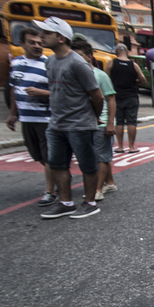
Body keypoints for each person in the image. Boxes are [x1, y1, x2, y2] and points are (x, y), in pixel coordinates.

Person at [33, 17, 105, 220]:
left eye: (46, 33)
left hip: (79, 124)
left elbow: (97, 96)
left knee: (87, 164)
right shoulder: (50, 61)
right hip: (56, 124)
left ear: (61, 38)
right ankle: (66, 203)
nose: (41, 36)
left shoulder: (78, 63)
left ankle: (90, 202)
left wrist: (93, 117)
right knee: (56, 164)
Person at [5, 27, 58, 207]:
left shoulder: (49, 64)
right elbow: (14, 88)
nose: (37, 46)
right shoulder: (17, 63)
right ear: (22, 44)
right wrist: (13, 113)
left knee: (49, 156)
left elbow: (61, 92)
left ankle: (50, 191)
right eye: (32, 42)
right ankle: (58, 175)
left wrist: (41, 92)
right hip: (26, 118)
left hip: (46, 119)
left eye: (39, 43)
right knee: (37, 155)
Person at [72, 39, 117, 200]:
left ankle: (97, 190)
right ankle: (109, 182)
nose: (76, 60)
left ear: (89, 56)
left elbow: (110, 99)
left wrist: (110, 122)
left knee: (101, 157)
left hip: (102, 121)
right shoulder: (74, 76)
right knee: (96, 156)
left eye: (79, 56)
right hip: (82, 122)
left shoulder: (100, 75)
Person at [108, 43, 146, 153]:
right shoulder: (134, 65)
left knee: (119, 122)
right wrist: (135, 81)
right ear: (127, 52)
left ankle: (120, 146)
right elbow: (143, 80)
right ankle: (131, 147)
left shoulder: (111, 63)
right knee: (131, 121)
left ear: (116, 52)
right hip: (131, 96)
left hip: (116, 96)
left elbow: (106, 79)